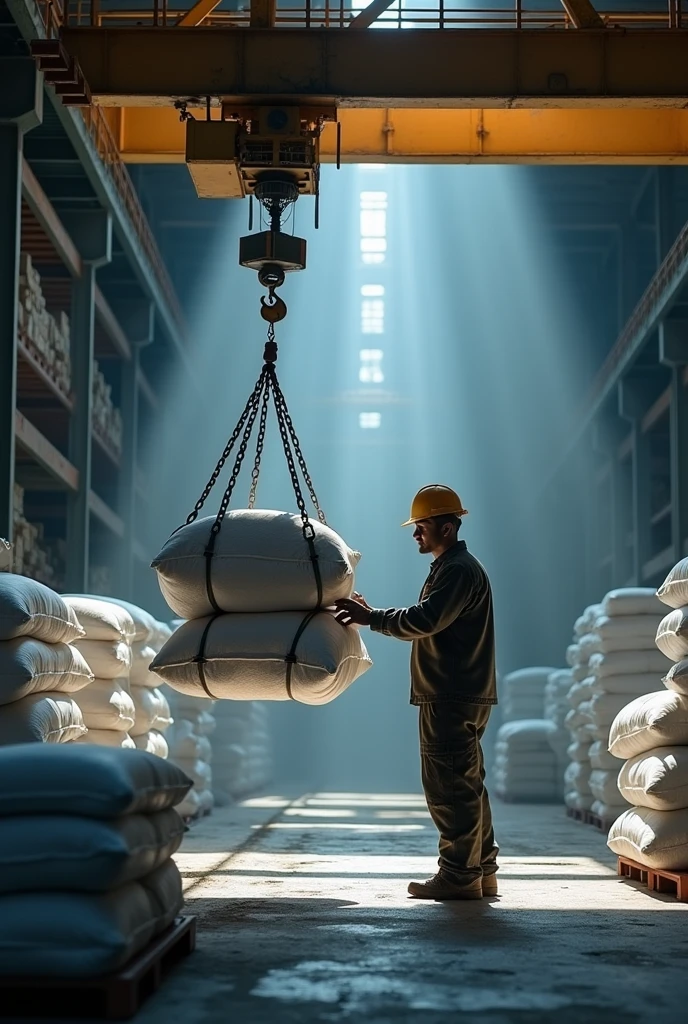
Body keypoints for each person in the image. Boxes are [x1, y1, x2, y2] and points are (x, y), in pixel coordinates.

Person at [335, 484, 498, 901]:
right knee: (467, 783)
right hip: (460, 690)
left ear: (446, 526)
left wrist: (371, 618)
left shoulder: (458, 570)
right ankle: (481, 869)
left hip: (450, 691)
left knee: (448, 786)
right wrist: (372, 616)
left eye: (421, 526)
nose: (415, 534)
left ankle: (460, 875)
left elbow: (426, 620)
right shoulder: (451, 567)